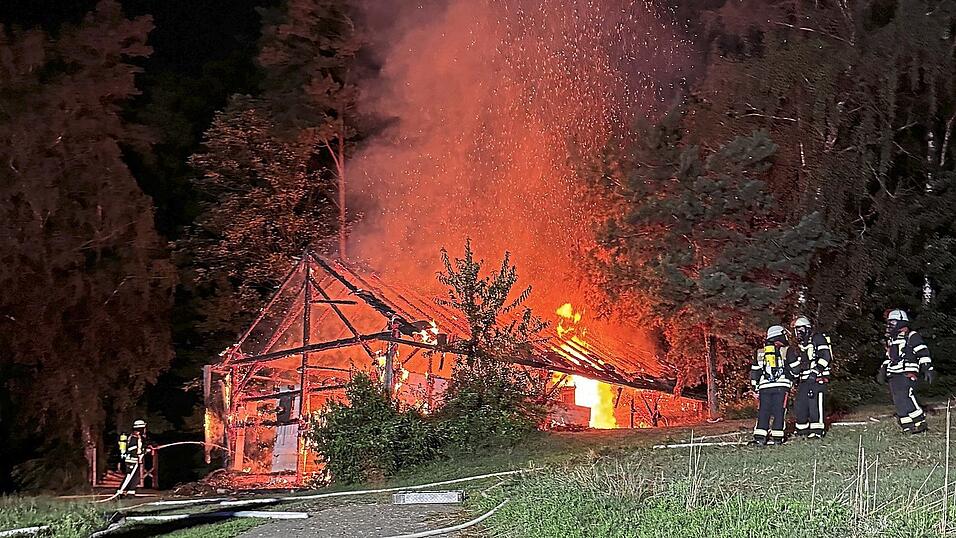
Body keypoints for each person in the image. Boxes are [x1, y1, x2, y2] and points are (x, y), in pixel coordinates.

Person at [876, 309, 936, 434]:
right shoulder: (892, 340)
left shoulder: (912, 336)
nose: (889, 325)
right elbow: (890, 358)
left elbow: (922, 351)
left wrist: (927, 367)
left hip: (908, 373)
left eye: (892, 322)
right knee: (898, 400)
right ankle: (907, 426)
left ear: (901, 322)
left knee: (907, 397)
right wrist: (883, 369)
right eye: (889, 322)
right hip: (894, 374)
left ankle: (920, 422)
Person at [750, 325, 795, 445]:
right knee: (779, 411)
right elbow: (795, 369)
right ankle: (777, 438)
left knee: (763, 412)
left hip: (764, 388)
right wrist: (794, 378)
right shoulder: (787, 350)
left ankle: (760, 437)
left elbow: (755, 372)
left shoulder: (760, 352)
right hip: (782, 387)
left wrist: (755, 388)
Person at [789, 316, 832, 439]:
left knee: (815, 404)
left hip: (817, 378)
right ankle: (802, 430)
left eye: (801, 329)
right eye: (796, 330)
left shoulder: (818, 338)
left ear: (807, 329)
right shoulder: (800, 344)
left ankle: (817, 431)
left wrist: (816, 371)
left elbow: (826, 356)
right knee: (800, 404)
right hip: (804, 379)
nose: (798, 332)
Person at [119, 419, 148, 494]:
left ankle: (130, 491)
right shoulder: (135, 437)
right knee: (129, 476)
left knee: (134, 476)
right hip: (132, 459)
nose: (145, 430)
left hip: (133, 459)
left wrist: (145, 450)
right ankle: (121, 491)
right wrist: (141, 452)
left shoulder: (136, 437)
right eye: (144, 428)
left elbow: (140, 447)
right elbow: (132, 449)